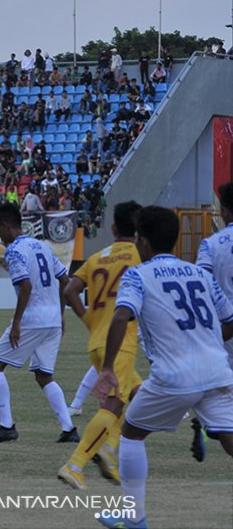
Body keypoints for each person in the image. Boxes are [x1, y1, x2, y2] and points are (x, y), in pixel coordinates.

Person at [94, 206, 233, 529]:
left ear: (141, 241)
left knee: (131, 433)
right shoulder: (201, 274)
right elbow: (229, 321)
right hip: (216, 370)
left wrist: (108, 368)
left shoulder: (137, 275)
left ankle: (135, 517)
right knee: (228, 437)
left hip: (174, 377)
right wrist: (205, 341)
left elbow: (120, 315)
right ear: (175, 240)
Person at [58, 201, 143, 491]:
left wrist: (89, 320)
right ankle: (76, 464)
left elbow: (69, 290)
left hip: (96, 341)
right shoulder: (141, 257)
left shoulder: (97, 257)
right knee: (114, 404)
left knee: (139, 393)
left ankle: (109, 447)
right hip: (121, 340)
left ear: (113, 227)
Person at [0, 203, 78, 443]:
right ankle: (69, 430)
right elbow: (65, 281)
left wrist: (16, 324)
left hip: (32, 320)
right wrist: (61, 315)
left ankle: (6, 426)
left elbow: (25, 286)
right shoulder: (43, 247)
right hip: (53, 320)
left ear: (5, 225)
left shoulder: (14, 251)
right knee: (44, 376)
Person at [191, 182, 233, 461]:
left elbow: (201, 281)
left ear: (224, 210)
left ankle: (207, 426)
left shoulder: (211, 244)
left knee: (219, 392)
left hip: (223, 328)